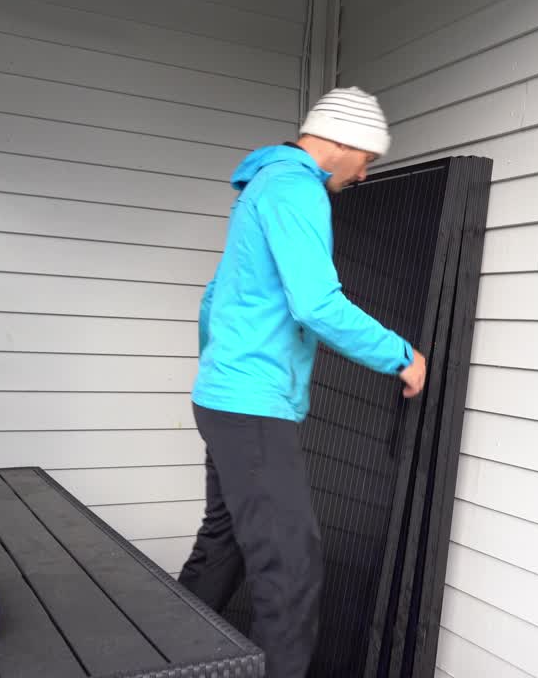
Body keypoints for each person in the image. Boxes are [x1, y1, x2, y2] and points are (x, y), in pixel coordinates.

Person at [178, 87, 427, 677]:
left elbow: (215, 301)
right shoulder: (296, 188)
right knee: (291, 568)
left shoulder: (262, 187)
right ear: (341, 141)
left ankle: (157, 657)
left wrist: (219, 373)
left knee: (227, 543)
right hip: (252, 405)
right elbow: (315, 303)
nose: (366, 174)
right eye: (368, 157)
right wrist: (402, 355)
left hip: (223, 399)